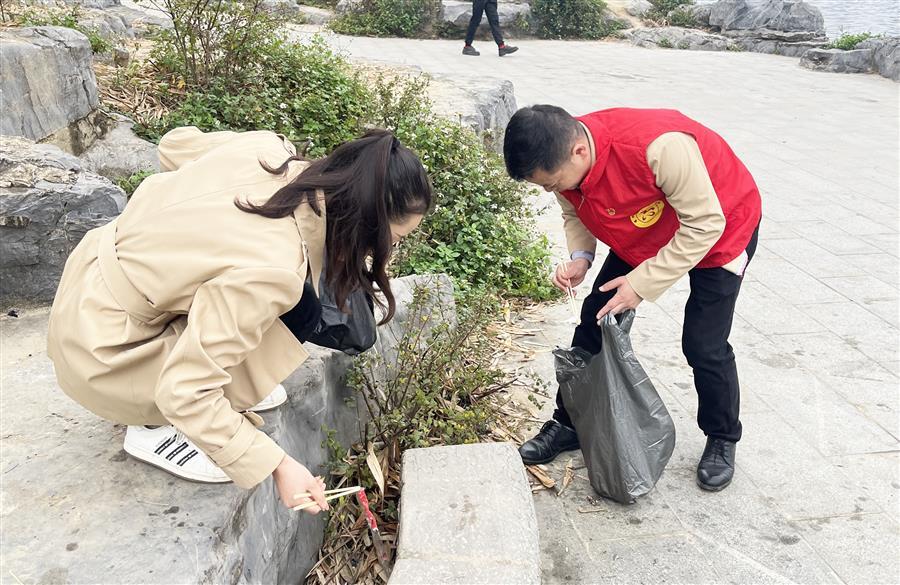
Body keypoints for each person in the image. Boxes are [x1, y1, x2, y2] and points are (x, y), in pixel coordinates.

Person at [47, 127, 432, 511]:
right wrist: (277, 465)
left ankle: (211, 374)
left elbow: (172, 146)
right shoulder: (271, 267)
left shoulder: (267, 149)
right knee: (291, 310)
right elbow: (184, 392)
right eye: (392, 239)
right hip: (102, 351)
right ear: (364, 220)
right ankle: (153, 428)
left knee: (303, 306)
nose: (390, 250)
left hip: (87, 279)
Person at [503, 105, 762, 492]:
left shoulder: (659, 148)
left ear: (578, 151)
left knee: (704, 344)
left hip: (719, 231)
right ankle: (569, 422)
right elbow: (575, 211)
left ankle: (723, 437)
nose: (550, 191)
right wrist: (581, 257)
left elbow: (705, 224)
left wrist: (640, 285)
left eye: (551, 182)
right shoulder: (562, 162)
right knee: (595, 316)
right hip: (646, 228)